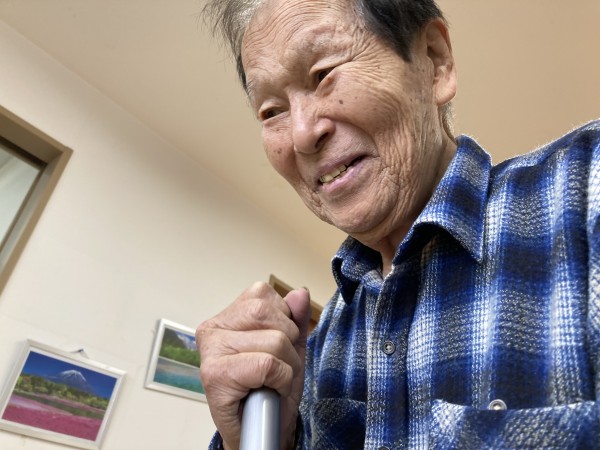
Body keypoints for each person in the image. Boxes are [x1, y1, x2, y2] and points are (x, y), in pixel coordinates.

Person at [195, 0, 600, 448]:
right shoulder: (318, 344)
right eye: (271, 111)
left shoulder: (587, 187)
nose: (302, 134)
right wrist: (263, 439)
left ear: (434, 61)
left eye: (323, 73)